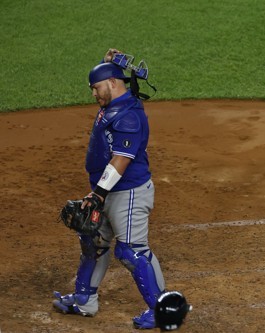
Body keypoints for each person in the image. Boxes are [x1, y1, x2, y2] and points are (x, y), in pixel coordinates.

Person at [53, 49, 166, 329]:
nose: (93, 94)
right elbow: (112, 80)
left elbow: (121, 160)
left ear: (113, 83)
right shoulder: (114, 104)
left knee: (131, 251)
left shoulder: (129, 116)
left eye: (96, 88)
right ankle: (84, 300)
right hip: (106, 189)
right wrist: (107, 63)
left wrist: (98, 194)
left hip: (127, 193)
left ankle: (164, 310)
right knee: (94, 242)